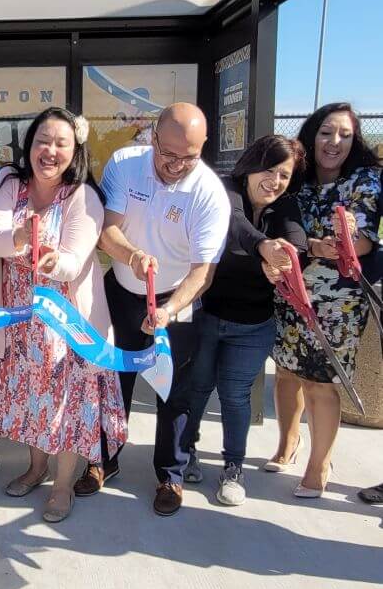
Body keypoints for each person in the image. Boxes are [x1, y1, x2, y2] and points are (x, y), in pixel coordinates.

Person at [80, 102, 231, 517]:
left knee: (174, 390)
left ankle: (171, 475)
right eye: (168, 154)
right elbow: (106, 230)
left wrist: (169, 310)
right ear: (153, 138)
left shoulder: (210, 194)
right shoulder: (126, 165)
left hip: (176, 298)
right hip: (124, 290)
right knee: (112, 380)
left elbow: (203, 272)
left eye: (190, 157)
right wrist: (131, 257)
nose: (177, 165)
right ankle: (103, 460)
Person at [0, 106, 127, 523]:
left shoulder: (83, 195)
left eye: (61, 143)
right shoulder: (9, 184)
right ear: (29, 145)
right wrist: (19, 237)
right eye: (43, 140)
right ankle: (36, 467)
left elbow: (75, 259)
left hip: (66, 326)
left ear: (74, 149)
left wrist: (49, 261)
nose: (50, 150)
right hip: (19, 322)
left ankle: (62, 485)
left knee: (66, 404)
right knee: (31, 400)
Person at [181, 135, 308, 506]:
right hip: (207, 316)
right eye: (268, 169)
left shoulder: (286, 206)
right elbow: (233, 224)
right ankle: (185, 449)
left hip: (253, 326)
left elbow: (296, 240)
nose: (275, 180)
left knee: (236, 397)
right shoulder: (226, 190)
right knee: (198, 387)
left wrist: (283, 255)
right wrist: (263, 248)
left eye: (284, 174)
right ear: (251, 165)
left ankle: (233, 467)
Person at [264, 103, 380, 498]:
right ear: (312, 134)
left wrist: (346, 239)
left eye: (345, 135)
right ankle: (287, 444)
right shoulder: (296, 176)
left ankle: (319, 466)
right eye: (327, 132)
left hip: (338, 300)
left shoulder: (364, 180)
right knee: (285, 371)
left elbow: (364, 241)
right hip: (290, 290)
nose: (335, 142)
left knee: (320, 381)